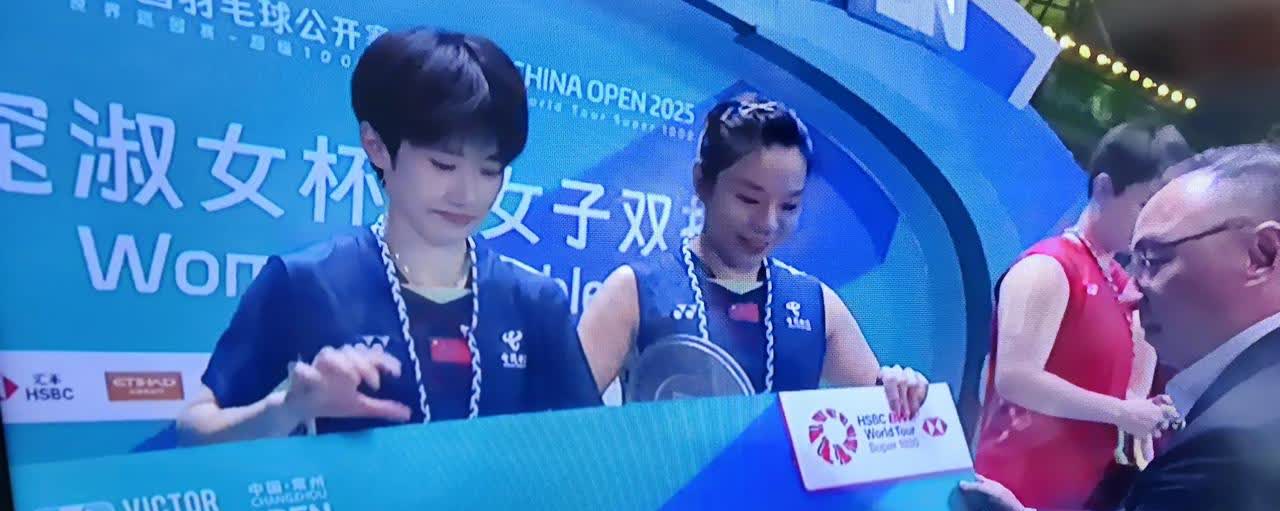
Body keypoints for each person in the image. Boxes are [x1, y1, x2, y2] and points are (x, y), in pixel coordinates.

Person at [829, 142, 1280, 511]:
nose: (1134, 290)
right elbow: (1017, 380)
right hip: (1034, 485)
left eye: (1157, 259)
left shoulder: (1238, 437)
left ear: (1263, 253)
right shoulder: (1050, 269)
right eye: (1138, 258)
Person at [177, 28, 600, 445]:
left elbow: (590, 448)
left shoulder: (533, 302)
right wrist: (288, 408)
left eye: (490, 171)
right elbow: (195, 430)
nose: (468, 194)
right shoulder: (305, 282)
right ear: (376, 146)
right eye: (443, 165)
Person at [577, 95, 928, 417]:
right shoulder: (634, 292)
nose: (768, 223)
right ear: (702, 182)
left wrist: (900, 389)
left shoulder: (818, 306)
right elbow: (555, 423)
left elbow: (884, 416)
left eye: (789, 206)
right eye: (749, 199)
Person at [973, 122, 1192, 511]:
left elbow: (1127, 392)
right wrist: (1122, 412)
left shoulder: (1121, 283)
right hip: (1016, 493)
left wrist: (1147, 412)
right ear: (1103, 188)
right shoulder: (1048, 268)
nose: (1152, 226)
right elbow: (1015, 378)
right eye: (1144, 206)